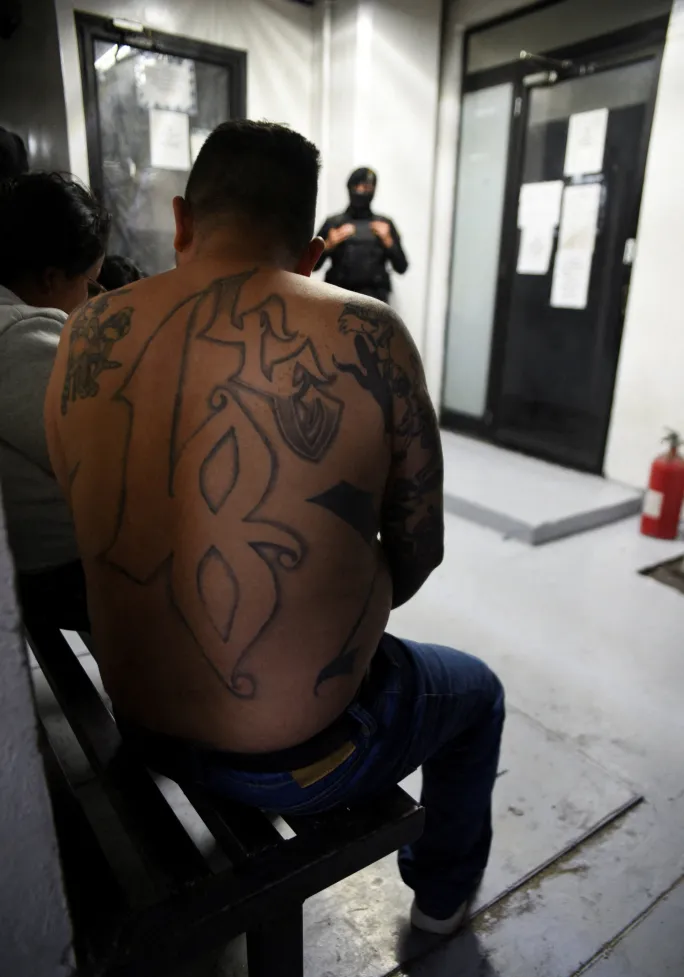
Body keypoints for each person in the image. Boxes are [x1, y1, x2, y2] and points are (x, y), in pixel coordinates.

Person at [45, 121, 504, 934]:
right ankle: (440, 903)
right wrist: (336, 596)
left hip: (139, 719)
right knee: (477, 693)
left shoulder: (86, 332)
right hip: (298, 761)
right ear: (310, 248)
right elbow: (420, 548)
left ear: (183, 222)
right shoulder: (371, 334)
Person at [0, 172, 110, 629]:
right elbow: (99, 454)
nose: (91, 298)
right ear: (49, 278)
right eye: (90, 283)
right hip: (53, 573)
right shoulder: (24, 335)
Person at [316, 167, 408, 303]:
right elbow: (311, 265)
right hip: (338, 300)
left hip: (375, 304)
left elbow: (402, 267)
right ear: (350, 187)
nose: (361, 192)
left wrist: (389, 242)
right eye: (357, 186)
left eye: (366, 187)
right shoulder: (334, 223)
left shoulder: (384, 225)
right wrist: (328, 244)